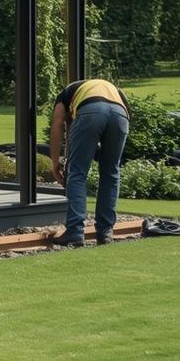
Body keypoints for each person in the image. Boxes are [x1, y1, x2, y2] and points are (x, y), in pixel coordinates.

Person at [50, 78, 130, 246]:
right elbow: (124, 112)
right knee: (111, 173)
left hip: (91, 112)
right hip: (121, 115)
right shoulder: (109, 88)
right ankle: (105, 232)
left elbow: (57, 124)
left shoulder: (65, 94)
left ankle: (75, 231)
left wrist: (55, 162)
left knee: (77, 173)